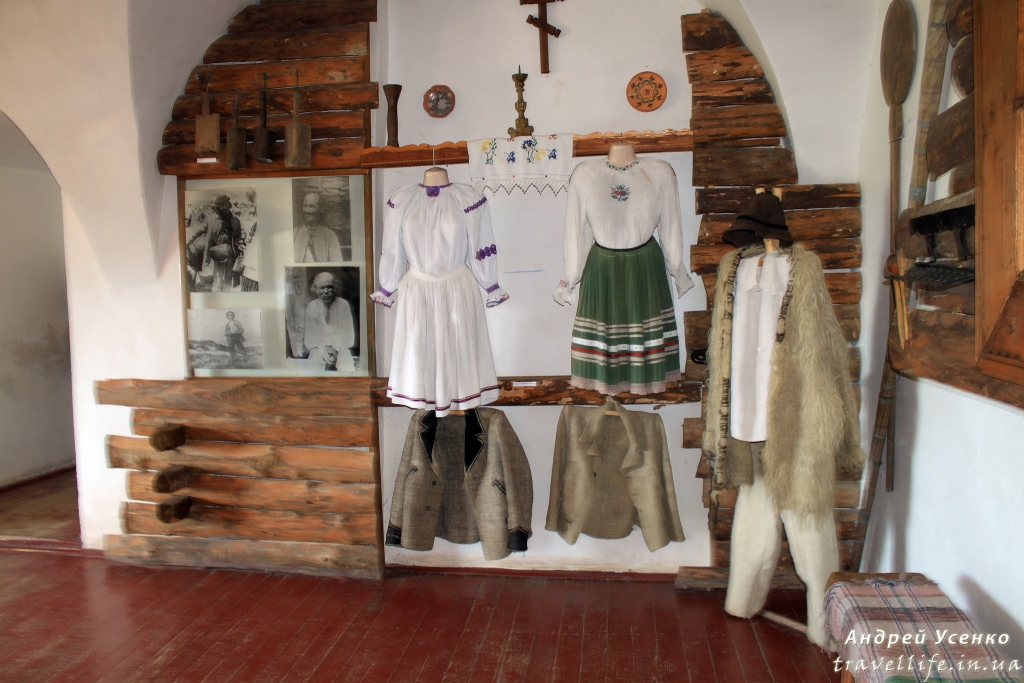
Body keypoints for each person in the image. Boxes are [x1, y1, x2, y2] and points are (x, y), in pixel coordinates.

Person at [301, 271, 355, 371]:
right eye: (322, 288)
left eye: (329, 287)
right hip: (319, 349)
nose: (326, 291)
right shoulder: (311, 306)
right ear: (316, 290)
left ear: (335, 288)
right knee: (314, 359)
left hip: (341, 348)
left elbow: (349, 337)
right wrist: (323, 348)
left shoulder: (343, 305)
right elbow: (309, 338)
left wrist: (335, 349)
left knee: (346, 360)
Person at [293, 192, 343, 263]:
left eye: (311, 206)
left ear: (321, 209)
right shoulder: (294, 233)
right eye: (305, 206)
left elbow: (337, 263)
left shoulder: (330, 236)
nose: (307, 210)